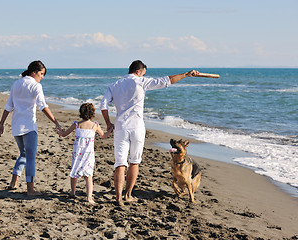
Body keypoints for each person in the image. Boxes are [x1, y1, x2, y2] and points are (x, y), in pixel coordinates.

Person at [100, 60, 199, 206]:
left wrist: (108, 123)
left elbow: (103, 105)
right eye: (144, 73)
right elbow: (167, 80)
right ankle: (128, 195)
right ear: (139, 71)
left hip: (121, 127)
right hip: (137, 127)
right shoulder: (141, 81)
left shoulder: (114, 85)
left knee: (120, 163)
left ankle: (118, 198)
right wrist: (186, 74)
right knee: (134, 162)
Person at [0, 60, 61, 196]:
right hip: (29, 127)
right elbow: (43, 106)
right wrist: (56, 122)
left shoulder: (16, 84)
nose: (42, 77)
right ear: (34, 72)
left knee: (24, 154)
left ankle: (13, 183)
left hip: (16, 126)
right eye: (41, 74)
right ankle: (30, 190)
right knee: (30, 158)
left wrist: (1, 123)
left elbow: (9, 106)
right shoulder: (36, 86)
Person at [56, 103, 112, 204]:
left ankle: (73, 192)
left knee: (74, 172)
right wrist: (110, 130)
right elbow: (103, 136)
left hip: (77, 154)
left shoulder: (77, 124)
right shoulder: (95, 125)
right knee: (88, 175)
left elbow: (64, 134)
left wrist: (60, 132)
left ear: (81, 113)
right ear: (92, 114)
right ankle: (89, 197)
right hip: (88, 155)